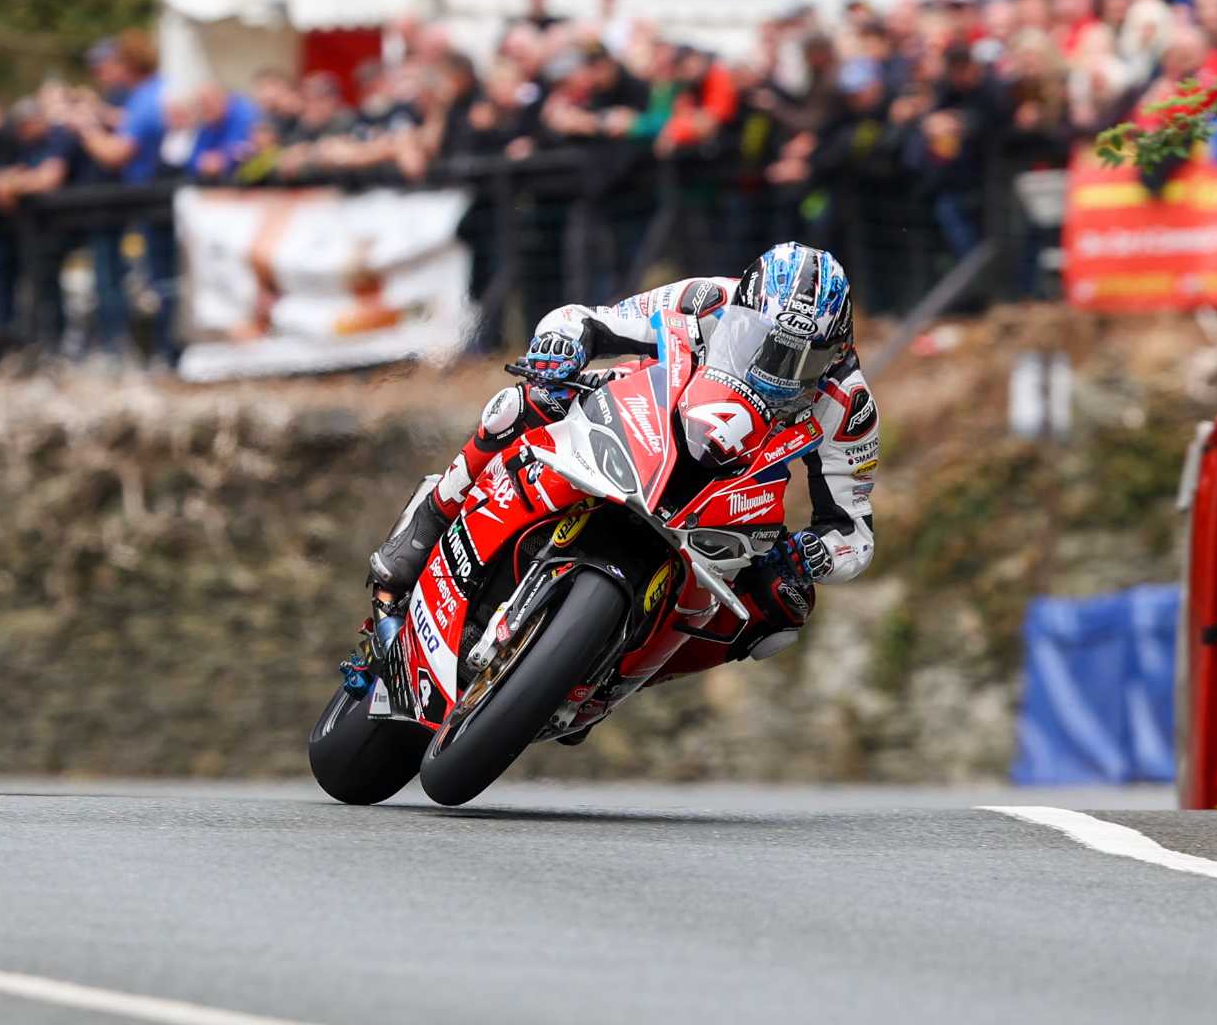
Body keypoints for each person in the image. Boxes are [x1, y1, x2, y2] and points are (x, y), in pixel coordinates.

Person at [360, 242, 880, 699]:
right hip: (644, 415)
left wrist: (814, 555)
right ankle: (427, 524)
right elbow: (588, 320)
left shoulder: (848, 403)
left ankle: (620, 676)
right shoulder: (707, 301)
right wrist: (561, 347)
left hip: (733, 495)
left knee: (786, 603)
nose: (779, 372)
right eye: (764, 345)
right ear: (744, 313)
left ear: (836, 351)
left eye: (802, 361)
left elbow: (854, 533)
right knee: (525, 402)